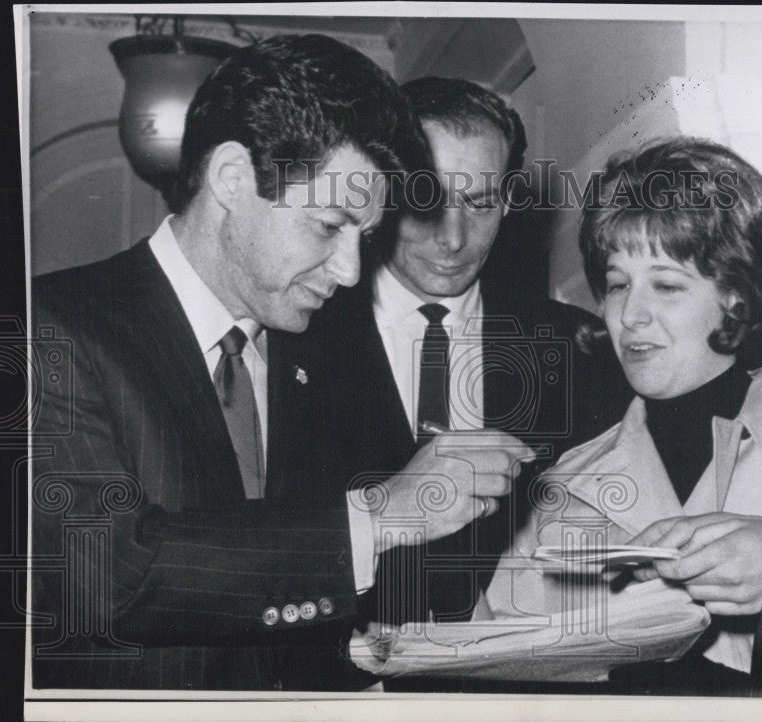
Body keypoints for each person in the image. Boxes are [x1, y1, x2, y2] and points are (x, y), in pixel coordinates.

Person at [30, 35, 530, 691]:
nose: (352, 272)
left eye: (366, 235)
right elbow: (108, 574)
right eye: (329, 225)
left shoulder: (312, 353)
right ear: (233, 179)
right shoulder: (48, 331)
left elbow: (287, 590)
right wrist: (377, 514)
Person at [477, 137, 762, 696]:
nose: (630, 314)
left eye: (666, 285)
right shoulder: (562, 491)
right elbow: (489, 675)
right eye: (616, 284)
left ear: (740, 299)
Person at [292, 77, 630, 631]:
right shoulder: (294, 338)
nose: (453, 238)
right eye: (426, 200)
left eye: (480, 203)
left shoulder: (579, 348)